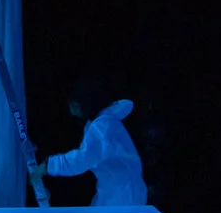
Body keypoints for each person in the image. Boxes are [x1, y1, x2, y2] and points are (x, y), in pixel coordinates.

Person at [30, 77, 146, 206]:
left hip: (123, 197)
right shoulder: (101, 123)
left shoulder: (103, 126)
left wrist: (49, 165)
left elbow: (83, 158)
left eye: (73, 104)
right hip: (116, 193)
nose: (70, 108)